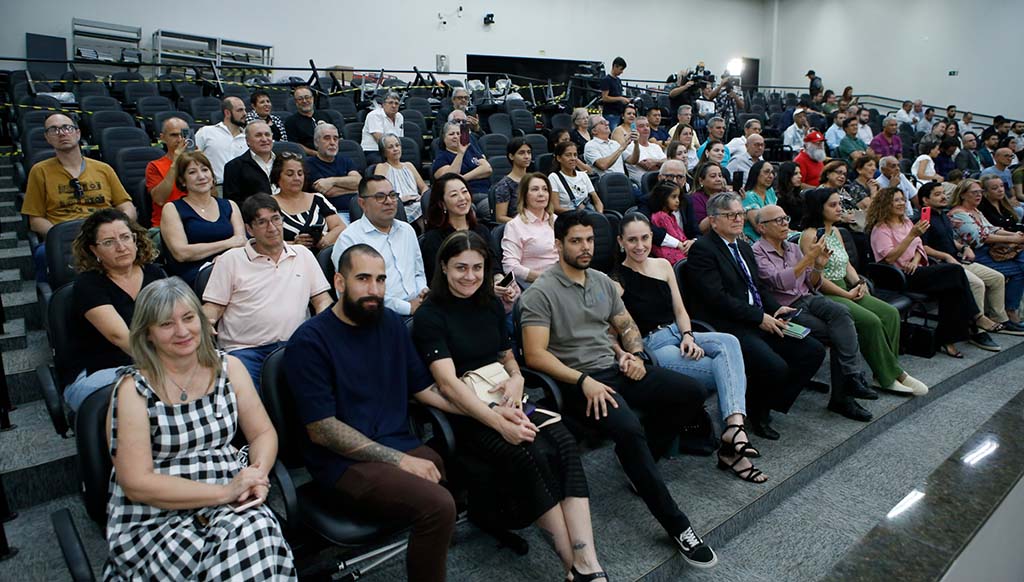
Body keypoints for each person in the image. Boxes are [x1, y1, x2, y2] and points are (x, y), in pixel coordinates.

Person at [521, 211, 719, 568]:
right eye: (576, 241)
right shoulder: (540, 293)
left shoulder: (601, 281)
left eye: (589, 240)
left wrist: (636, 355)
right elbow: (535, 355)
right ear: (558, 245)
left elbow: (626, 325)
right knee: (628, 429)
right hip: (578, 383)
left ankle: (640, 463)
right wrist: (583, 381)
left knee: (691, 391)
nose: (585, 247)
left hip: (616, 369)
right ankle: (678, 525)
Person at [412, 232, 607, 582]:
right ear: (443, 267)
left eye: (477, 268)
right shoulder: (430, 315)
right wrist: (498, 422)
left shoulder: (489, 303)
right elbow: (448, 385)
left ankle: (587, 561)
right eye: (460, 268)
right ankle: (572, 566)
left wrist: (516, 379)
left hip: (508, 398)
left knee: (564, 443)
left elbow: (506, 355)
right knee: (530, 453)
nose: (470, 276)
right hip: (468, 415)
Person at [284, 245, 458, 582]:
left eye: (380, 280)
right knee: (438, 505)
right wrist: (399, 460)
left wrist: (484, 410)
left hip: (395, 442)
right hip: (341, 464)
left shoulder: (390, 323)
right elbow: (322, 430)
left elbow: (423, 388)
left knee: (451, 464)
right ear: (339, 282)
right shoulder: (309, 342)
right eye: (363, 279)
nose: (374, 289)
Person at [104, 277, 295, 580]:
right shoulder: (132, 389)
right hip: (158, 516)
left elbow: (263, 434)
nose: (182, 331)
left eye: (189, 318)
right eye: (166, 324)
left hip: (232, 497)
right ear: (148, 333)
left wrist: (257, 474)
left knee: (255, 531)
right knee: (251, 541)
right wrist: (223, 493)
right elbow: (136, 483)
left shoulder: (229, 368)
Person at [615, 214, 765, 479]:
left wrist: (688, 336)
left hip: (679, 332)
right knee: (727, 372)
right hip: (653, 345)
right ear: (621, 242)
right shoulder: (616, 281)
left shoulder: (663, 265)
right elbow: (617, 329)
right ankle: (732, 447)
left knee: (730, 342)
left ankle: (734, 428)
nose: (640, 245)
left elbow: (680, 310)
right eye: (632, 240)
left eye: (645, 238)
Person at [686, 193, 827, 439]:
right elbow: (717, 299)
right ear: (713, 221)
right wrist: (760, 318)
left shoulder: (742, 246)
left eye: (740, 214)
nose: (738, 219)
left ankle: (763, 402)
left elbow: (757, 287)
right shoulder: (703, 250)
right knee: (774, 366)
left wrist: (775, 308)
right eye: (730, 215)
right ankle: (758, 411)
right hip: (729, 325)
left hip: (757, 317)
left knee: (812, 350)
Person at [752, 204, 876, 421]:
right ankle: (844, 395)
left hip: (808, 297)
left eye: (786, 218)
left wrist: (818, 266)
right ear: (762, 227)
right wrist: (809, 258)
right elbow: (779, 282)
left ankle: (852, 377)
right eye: (778, 221)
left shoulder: (792, 248)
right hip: (786, 308)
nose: (785, 224)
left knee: (842, 312)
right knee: (839, 335)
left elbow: (811, 281)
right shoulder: (757, 251)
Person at [799, 189, 928, 395]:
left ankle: (886, 371)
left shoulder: (836, 231)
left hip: (846, 286)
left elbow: (847, 264)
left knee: (890, 313)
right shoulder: (810, 235)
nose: (839, 208)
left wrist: (858, 282)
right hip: (826, 292)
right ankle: (891, 375)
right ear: (819, 208)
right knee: (871, 321)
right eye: (833, 205)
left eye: (839, 204)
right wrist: (847, 295)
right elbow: (815, 279)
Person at [203, 194, 332, 389]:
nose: (272, 228)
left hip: (296, 345)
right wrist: (205, 323)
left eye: (276, 219)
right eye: (262, 222)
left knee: (320, 392)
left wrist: (323, 326)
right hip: (245, 351)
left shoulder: (303, 254)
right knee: (249, 400)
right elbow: (213, 307)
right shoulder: (230, 260)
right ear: (249, 229)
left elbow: (322, 300)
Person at [867, 187, 987, 356]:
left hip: (916, 269)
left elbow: (919, 247)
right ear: (886, 204)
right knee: (955, 271)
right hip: (899, 276)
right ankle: (976, 317)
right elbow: (889, 258)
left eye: (902, 199)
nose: (901, 203)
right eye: (896, 200)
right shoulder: (880, 229)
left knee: (952, 289)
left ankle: (947, 339)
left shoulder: (906, 222)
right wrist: (911, 235)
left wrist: (915, 261)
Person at [65, 209, 164, 411]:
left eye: (125, 237)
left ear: (135, 239)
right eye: (109, 242)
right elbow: (119, 337)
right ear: (94, 250)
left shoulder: (155, 273)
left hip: (152, 363)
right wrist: (170, 365)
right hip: (98, 372)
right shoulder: (88, 284)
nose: (121, 247)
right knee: (154, 388)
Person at [22, 113, 136, 282]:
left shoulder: (103, 169)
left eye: (66, 128)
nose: (61, 133)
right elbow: (36, 220)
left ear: (78, 133)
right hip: (66, 237)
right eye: (54, 130)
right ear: (47, 138)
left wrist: (119, 230)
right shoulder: (40, 171)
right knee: (43, 255)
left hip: (106, 234)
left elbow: (126, 205)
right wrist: (61, 237)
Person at [918, 182, 1021, 334]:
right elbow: (922, 247)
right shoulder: (923, 220)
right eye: (938, 194)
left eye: (943, 193)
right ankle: (977, 330)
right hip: (941, 265)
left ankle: (1000, 319)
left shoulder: (943, 215)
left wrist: (963, 247)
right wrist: (947, 256)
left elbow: (950, 240)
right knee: (977, 284)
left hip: (959, 259)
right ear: (925, 200)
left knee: (997, 278)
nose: (943, 197)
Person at [331, 176, 427, 316]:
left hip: (418, 308)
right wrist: (407, 307)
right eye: (380, 197)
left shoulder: (407, 230)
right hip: (376, 315)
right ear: (362, 203)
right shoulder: (349, 239)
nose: (389, 201)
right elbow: (353, 292)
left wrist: (423, 293)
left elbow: (418, 272)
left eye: (392, 195)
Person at [157, 151, 246, 286]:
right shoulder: (172, 209)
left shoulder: (230, 205)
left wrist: (223, 260)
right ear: (182, 181)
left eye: (205, 170)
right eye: (192, 172)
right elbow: (181, 253)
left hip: (232, 268)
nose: (201, 176)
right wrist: (227, 244)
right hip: (195, 276)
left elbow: (241, 242)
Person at [949, 179, 1024, 324]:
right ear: (963, 195)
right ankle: (1009, 310)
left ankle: (1009, 309)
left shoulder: (975, 210)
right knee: (1020, 270)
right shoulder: (959, 214)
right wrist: (1013, 239)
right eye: (974, 192)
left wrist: (1015, 235)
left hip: (986, 251)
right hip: (971, 255)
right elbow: (978, 238)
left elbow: (991, 229)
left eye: (980, 192)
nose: (979, 195)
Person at [272, 153, 345, 249]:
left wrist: (325, 240)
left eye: (300, 174)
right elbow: (261, 240)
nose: (296, 178)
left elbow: (340, 227)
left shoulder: (318, 198)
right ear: (277, 177)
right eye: (290, 174)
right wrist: (294, 244)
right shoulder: (268, 203)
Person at [502, 173, 559, 288]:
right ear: (524, 195)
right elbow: (510, 266)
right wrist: (545, 278)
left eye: (545, 189)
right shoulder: (514, 226)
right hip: (535, 284)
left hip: (562, 278)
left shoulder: (557, 220)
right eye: (535, 189)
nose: (541, 194)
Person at [305, 123, 361, 219]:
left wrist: (332, 181)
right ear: (316, 142)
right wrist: (355, 189)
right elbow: (329, 192)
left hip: (359, 210)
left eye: (335, 138)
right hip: (332, 214)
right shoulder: (308, 164)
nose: (332, 142)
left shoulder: (345, 160)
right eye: (327, 138)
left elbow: (359, 182)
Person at [195, 97, 248, 189]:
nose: (245, 113)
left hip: (243, 187)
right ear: (227, 113)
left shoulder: (248, 138)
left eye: (244, 110)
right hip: (215, 187)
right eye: (240, 110)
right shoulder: (206, 132)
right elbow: (190, 157)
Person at [373, 134, 427, 224]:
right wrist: (399, 199)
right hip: (397, 206)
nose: (395, 149)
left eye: (397, 145)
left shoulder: (409, 165)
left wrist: (423, 198)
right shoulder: (382, 167)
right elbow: (377, 191)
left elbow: (424, 187)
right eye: (390, 147)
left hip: (416, 202)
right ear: (384, 152)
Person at [146, 116, 189, 228]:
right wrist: (175, 162)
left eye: (183, 135)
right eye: (174, 135)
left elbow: (213, 195)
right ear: (163, 138)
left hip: (195, 220)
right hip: (167, 224)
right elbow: (159, 200)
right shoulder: (154, 166)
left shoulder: (197, 163)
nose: (180, 139)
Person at [222, 121, 276, 205]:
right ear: (247, 141)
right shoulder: (234, 167)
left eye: (267, 134)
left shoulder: (283, 162)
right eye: (258, 135)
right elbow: (233, 203)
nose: (264, 139)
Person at [432, 121, 492, 197]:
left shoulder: (470, 149)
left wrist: (463, 178)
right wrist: (460, 153)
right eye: (451, 134)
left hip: (486, 191)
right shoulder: (441, 157)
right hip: (464, 195)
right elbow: (450, 179)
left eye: (458, 133)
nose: (456, 136)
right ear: (444, 138)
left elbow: (487, 169)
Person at [550, 141, 603, 214]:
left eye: (575, 155)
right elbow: (556, 208)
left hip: (588, 214)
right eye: (568, 155)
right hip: (569, 216)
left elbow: (597, 201)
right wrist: (579, 213)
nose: (573, 158)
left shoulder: (583, 175)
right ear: (559, 158)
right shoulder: (554, 177)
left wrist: (599, 215)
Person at [647, 181, 692, 263]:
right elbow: (675, 236)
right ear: (663, 198)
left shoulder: (671, 216)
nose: (677, 201)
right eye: (674, 197)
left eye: (678, 197)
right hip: (667, 253)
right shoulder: (661, 216)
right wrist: (684, 244)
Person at [491, 137, 532, 223]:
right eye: (521, 153)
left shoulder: (534, 180)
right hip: (518, 226)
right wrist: (524, 223)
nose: (527, 156)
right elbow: (500, 217)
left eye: (529, 152)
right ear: (511, 156)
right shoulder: (504, 185)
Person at [284, 85, 332, 156]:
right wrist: (316, 154)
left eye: (307, 97)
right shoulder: (290, 122)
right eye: (300, 99)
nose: (304, 101)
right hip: (309, 157)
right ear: (296, 102)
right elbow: (296, 145)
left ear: (312, 98)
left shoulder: (325, 115)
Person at [361, 92, 404, 165]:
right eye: (390, 103)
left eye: (396, 103)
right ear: (383, 104)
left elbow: (400, 138)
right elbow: (379, 139)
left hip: (392, 149)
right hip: (373, 150)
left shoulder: (400, 116)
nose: (394, 106)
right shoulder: (374, 115)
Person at [623, 116, 666, 183]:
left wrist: (655, 162)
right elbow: (648, 167)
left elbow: (667, 163)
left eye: (647, 126)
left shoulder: (656, 147)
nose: (646, 128)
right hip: (642, 184)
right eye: (641, 126)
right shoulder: (629, 146)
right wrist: (660, 164)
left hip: (661, 182)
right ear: (634, 129)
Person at [741, 161, 777, 242]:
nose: (771, 176)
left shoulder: (770, 192)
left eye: (772, 173)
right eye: (766, 172)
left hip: (774, 233)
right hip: (755, 239)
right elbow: (759, 228)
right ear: (756, 174)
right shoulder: (749, 196)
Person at [691, 162, 727, 230]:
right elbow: (701, 228)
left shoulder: (726, 195)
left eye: (720, 176)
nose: (718, 179)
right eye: (713, 176)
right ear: (701, 181)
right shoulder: (696, 198)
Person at [600, 57, 630, 129]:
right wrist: (620, 98)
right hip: (610, 114)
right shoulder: (606, 80)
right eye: (621, 69)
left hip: (618, 113)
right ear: (615, 66)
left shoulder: (618, 80)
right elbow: (605, 98)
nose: (622, 72)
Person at [776, 162, 805, 228]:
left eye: (800, 173)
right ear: (787, 175)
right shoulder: (779, 198)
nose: (800, 176)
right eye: (795, 174)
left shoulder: (799, 195)